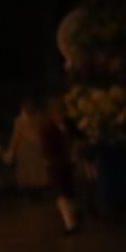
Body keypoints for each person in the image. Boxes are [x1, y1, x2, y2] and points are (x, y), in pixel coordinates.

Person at [40, 97, 79, 235]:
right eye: (57, 114)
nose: (60, 116)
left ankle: (73, 220)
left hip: (68, 164)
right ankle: (70, 223)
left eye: (61, 113)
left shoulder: (68, 125)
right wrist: (53, 160)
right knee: (62, 194)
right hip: (57, 166)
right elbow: (47, 149)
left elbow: (76, 138)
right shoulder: (48, 129)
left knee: (70, 193)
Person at [3, 96, 50, 194]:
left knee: (38, 171)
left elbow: (44, 132)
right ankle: (29, 190)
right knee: (27, 171)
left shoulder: (39, 118)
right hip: (25, 150)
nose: (29, 108)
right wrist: (11, 151)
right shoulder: (19, 121)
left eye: (30, 105)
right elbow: (15, 137)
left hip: (37, 148)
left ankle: (39, 189)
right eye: (26, 106)